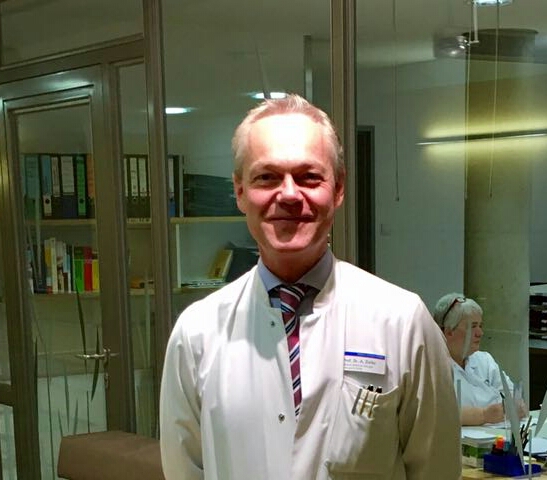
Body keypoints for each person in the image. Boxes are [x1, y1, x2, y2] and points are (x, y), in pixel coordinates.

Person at [160, 94, 461, 479]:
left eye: (308, 177)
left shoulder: (402, 322)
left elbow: (437, 470)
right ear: (239, 191)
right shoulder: (197, 333)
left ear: (338, 189)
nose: (288, 194)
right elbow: (183, 471)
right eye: (267, 177)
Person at [433, 292, 526, 426]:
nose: (480, 333)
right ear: (449, 332)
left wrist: (515, 405)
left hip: (499, 434)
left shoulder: (484, 360)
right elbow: (437, 413)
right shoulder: (432, 367)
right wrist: (484, 415)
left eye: (480, 326)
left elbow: (514, 398)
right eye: (473, 327)